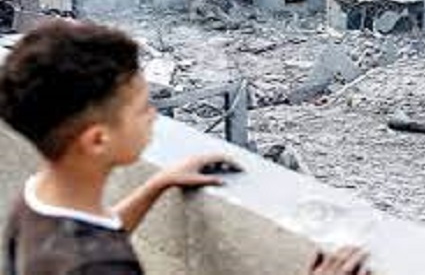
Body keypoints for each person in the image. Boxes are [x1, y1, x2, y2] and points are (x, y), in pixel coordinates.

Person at [0, 20, 369, 275]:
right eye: (142, 108)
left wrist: (156, 185)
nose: (154, 115)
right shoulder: (100, 267)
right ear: (97, 140)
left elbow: (95, 232)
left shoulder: (35, 201)